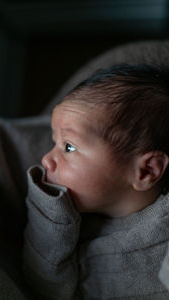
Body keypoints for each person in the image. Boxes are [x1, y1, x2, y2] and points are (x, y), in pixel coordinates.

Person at [23, 64, 169, 299]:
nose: (46, 159)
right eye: (55, 142)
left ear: (145, 171)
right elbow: (47, 289)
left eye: (68, 147)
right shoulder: (75, 222)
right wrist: (50, 213)